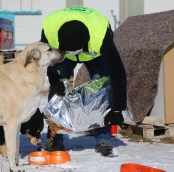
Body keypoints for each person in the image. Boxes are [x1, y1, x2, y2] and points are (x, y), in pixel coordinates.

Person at [40, 6, 126, 156]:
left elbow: (118, 73)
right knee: (57, 92)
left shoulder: (101, 35)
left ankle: (103, 138)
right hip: (62, 55)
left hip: (94, 54)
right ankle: (55, 138)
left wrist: (118, 108)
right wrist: (54, 78)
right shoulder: (49, 29)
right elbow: (46, 59)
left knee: (101, 89)